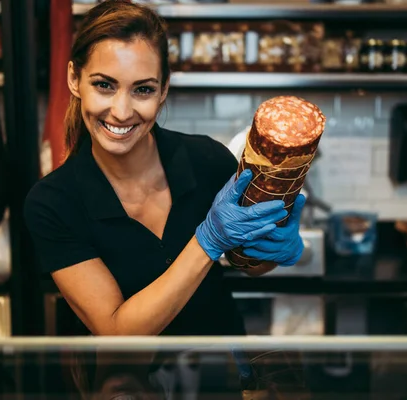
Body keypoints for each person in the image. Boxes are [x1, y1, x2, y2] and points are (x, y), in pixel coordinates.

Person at [24, 0, 305, 339]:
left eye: (143, 89)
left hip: (217, 376)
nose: (122, 111)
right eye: (104, 85)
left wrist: (273, 246)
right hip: (125, 386)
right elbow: (117, 332)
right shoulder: (53, 202)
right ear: (74, 79)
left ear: (163, 90)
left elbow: (249, 263)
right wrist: (206, 241)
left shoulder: (207, 159)